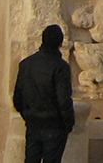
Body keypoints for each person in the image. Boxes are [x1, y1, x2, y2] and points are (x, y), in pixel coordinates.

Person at [13, 24, 74, 163]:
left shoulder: (26, 64)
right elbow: (64, 100)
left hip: (33, 122)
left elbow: (18, 97)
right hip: (54, 125)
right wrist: (68, 123)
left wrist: (27, 114)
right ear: (60, 43)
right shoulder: (61, 67)